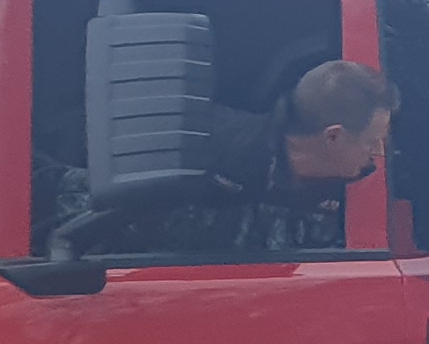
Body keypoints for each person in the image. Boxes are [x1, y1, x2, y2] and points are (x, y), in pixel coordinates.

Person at [157, 58, 396, 253]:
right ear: (333, 137)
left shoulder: (364, 185)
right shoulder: (206, 150)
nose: (379, 153)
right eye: (371, 141)